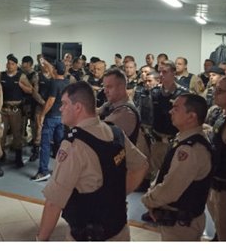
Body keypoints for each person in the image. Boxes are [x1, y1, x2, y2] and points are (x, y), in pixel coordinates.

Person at [36, 81, 148, 241]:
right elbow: (141, 166)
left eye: (64, 104)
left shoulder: (74, 144)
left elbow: (54, 203)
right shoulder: (115, 132)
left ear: (78, 107)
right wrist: (116, 196)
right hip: (120, 230)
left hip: (89, 235)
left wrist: (41, 240)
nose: (60, 108)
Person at [141, 94, 212, 241]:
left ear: (191, 116)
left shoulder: (190, 149)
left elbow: (170, 189)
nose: (170, 111)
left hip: (180, 225)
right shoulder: (185, 139)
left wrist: (148, 200)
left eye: (176, 108)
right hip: (176, 222)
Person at [99, 69, 148, 160]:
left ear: (121, 87)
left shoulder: (126, 112)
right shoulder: (112, 104)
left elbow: (100, 132)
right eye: (104, 87)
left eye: (109, 87)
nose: (105, 91)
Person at [32, 60, 69, 182]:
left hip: (51, 117)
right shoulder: (67, 82)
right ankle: (61, 169)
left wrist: (42, 115)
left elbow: (50, 101)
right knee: (60, 145)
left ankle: (43, 171)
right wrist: (46, 62)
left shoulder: (54, 83)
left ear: (55, 70)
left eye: (53, 68)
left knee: (45, 144)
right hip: (62, 117)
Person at [0, 54, 33, 167]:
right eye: (8, 63)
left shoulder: (21, 76)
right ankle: (1, 155)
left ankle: (18, 158)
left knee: (17, 134)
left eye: (12, 64)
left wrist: (22, 86)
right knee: (1, 134)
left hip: (16, 110)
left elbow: (31, 90)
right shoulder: (2, 76)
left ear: (16, 65)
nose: (10, 65)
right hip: (3, 109)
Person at [208, 76, 226, 241]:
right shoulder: (221, 116)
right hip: (215, 185)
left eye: (220, 91)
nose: (215, 93)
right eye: (216, 89)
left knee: (225, 233)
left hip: (225, 190)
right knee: (219, 227)